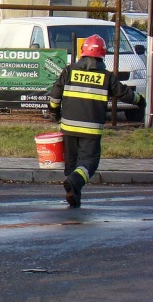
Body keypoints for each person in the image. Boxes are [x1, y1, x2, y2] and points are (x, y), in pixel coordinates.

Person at [48, 34, 145, 208]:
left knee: (72, 163)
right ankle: (74, 182)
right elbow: (125, 94)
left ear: (82, 53)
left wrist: (55, 114)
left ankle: (73, 192)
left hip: (68, 128)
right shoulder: (107, 77)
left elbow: (54, 97)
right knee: (89, 162)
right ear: (102, 55)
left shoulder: (69, 71)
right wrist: (141, 100)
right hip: (91, 131)